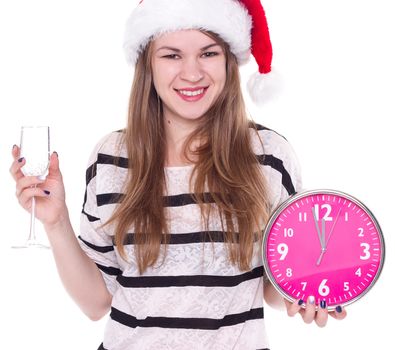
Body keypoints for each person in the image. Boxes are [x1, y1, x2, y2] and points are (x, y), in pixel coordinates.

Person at [10, 0, 347, 349]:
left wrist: (304, 291)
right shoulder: (112, 157)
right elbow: (96, 303)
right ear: (148, 65)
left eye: (208, 53)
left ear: (229, 61)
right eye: (172, 55)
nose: (192, 73)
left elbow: (275, 289)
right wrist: (56, 220)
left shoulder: (268, 156)